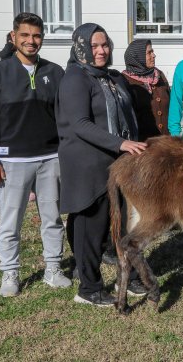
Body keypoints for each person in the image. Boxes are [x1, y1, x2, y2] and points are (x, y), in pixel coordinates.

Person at [0, 12, 71, 297]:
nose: (31, 41)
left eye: (37, 36)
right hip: (12, 160)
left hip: (50, 158)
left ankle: (53, 268)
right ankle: (10, 272)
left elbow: (64, 116)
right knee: (10, 220)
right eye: (25, 35)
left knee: (53, 217)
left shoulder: (55, 73)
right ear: (13, 37)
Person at [57, 23, 147, 307]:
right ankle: (89, 289)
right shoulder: (75, 78)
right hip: (88, 167)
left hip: (116, 168)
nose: (101, 51)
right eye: (94, 46)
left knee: (120, 227)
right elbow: (79, 123)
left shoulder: (111, 78)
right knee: (90, 229)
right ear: (81, 47)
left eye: (105, 44)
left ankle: (128, 278)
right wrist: (120, 143)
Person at [122, 39, 171, 141]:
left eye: (152, 51)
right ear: (137, 56)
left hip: (165, 143)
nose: (153, 55)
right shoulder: (125, 81)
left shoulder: (159, 75)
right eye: (149, 53)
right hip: (141, 146)